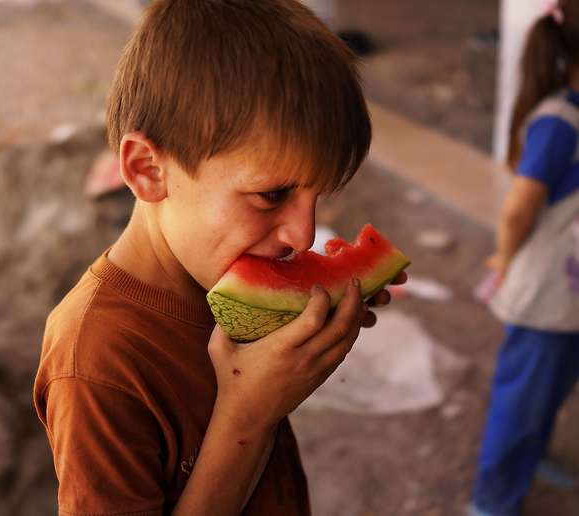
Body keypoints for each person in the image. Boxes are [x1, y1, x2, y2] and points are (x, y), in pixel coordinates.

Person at [33, 1, 405, 514]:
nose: (305, 235)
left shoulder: (216, 276)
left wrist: (318, 324)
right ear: (148, 170)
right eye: (272, 195)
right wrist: (248, 416)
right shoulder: (96, 362)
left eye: (317, 198)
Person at [471, 2, 579, 515]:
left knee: (550, 390)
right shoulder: (559, 122)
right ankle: (491, 501)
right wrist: (503, 258)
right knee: (522, 402)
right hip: (545, 292)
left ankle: (529, 459)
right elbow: (517, 211)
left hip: (569, 295)